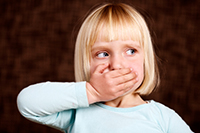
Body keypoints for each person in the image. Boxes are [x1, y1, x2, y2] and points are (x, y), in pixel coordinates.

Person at [17, 3, 193, 133]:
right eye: (103, 54)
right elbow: (27, 103)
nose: (116, 65)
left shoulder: (161, 117)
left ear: (145, 58)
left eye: (130, 51)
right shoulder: (76, 113)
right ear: (87, 62)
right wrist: (92, 92)